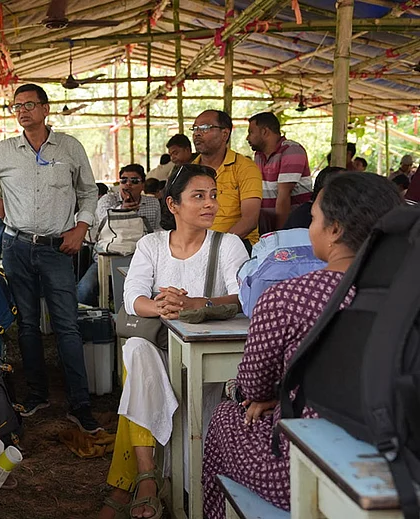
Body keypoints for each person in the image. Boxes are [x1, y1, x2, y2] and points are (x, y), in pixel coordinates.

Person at [202, 172, 403, 519]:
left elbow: (252, 386)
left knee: (224, 416)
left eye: (313, 219)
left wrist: (272, 394)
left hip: (303, 465)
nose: (309, 228)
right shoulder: (405, 296)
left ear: (335, 229)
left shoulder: (287, 297)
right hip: (399, 453)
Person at [100, 164, 248, 519]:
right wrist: (161, 306)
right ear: (173, 205)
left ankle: (133, 484)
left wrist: (198, 304)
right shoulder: (152, 244)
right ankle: (149, 479)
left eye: (213, 195)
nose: (210, 203)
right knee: (136, 351)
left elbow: (243, 295)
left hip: (204, 362)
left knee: (135, 378)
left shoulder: (228, 244)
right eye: (199, 196)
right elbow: (132, 295)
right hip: (158, 351)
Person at [0, 83, 101, 433]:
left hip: (58, 248)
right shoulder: (4, 151)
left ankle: (79, 403)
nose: (22, 111)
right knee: (25, 324)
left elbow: (88, 191)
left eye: (29, 105)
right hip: (17, 246)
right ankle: (37, 395)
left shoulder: (69, 147)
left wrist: (81, 227)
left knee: (67, 325)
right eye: (16, 106)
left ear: (45, 109)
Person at [78, 164, 161, 307]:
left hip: (141, 258)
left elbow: (155, 230)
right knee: (84, 291)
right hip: (106, 258)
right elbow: (104, 220)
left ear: (142, 185)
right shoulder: (107, 200)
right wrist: (122, 209)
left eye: (134, 181)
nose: (128, 184)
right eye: (124, 180)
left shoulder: (153, 203)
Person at [191, 110, 263, 246]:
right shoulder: (190, 170)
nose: (197, 133)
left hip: (238, 245)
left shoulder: (245, 168)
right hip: (197, 245)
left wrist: (215, 245)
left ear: (225, 134)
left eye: (205, 128)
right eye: (195, 128)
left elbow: (250, 220)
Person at [246, 112, 312, 234]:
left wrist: (280, 235)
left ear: (265, 132)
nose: (247, 138)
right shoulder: (259, 155)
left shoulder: (292, 150)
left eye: (251, 132)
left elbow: (284, 197)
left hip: (293, 226)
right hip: (267, 224)